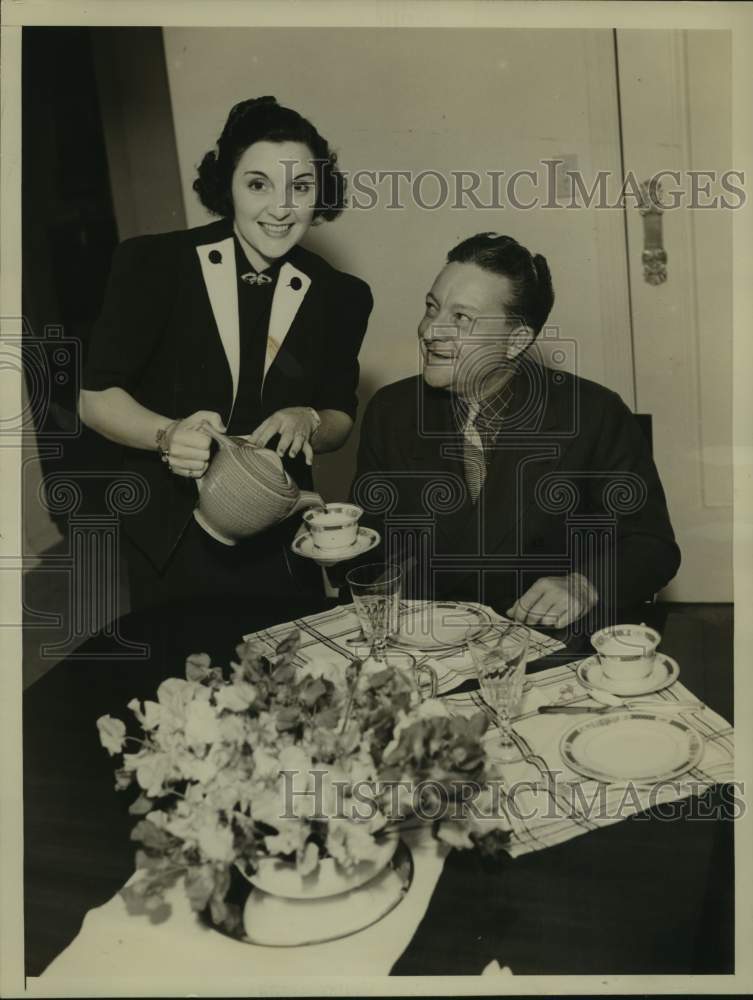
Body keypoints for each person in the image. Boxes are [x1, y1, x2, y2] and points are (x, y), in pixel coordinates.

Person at [79, 96, 373, 610]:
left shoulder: (343, 295)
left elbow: (340, 417)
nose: (281, 209)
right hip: (172, 533)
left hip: (283, 530)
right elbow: (95, 397)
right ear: (227, 186)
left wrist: (308, 418)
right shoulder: (153, 264)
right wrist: (166, 435)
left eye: (300, 187)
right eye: (258, 184)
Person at [352, 232, 680, 629]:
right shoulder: (390, 410)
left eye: (461, 318)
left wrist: (585, 585)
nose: (431, 331)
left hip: (546, 650)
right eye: (432, 307)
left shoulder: (595, 414)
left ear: (516, 340)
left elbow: (653, 546)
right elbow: (372, 548)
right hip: (426, 647)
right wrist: (336, 543)